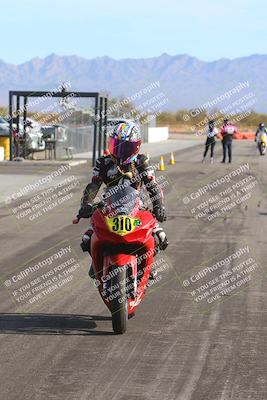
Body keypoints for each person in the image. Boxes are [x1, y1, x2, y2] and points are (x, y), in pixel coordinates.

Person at [74, 122, 168, 277]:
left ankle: (146, 265)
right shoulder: (103, 162)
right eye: (116, 145)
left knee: (161, 238)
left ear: (136, 147)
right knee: (86, 239)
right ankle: (96, 263)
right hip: (107, 207)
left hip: (137, 207)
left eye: (125, 147)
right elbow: (93, 185)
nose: (119, 151)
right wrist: (86, 204)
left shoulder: (142, 162)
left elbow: (152, 185)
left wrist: (159, 206)